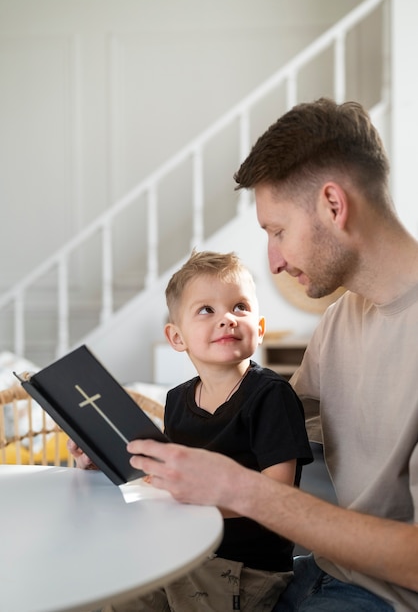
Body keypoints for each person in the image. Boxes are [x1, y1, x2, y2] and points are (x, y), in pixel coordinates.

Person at [125, 99, 418, 612]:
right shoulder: (341, 323)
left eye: (277, 231)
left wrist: (243, 492)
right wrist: (121, 449)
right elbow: (253, 417)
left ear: (333, 204)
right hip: (317, 572)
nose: (275, 263)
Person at [70, 250, 313, 612]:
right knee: (109, 595)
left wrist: (194, 500)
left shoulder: (271, 396)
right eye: (206, 310)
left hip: (244, 567)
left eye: (241, 307)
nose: (227, 319)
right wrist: (101, 462)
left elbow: (278, 497)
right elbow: (166, 478)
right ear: (177, 337)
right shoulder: (177, 400)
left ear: (259, 330)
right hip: (180, 550)